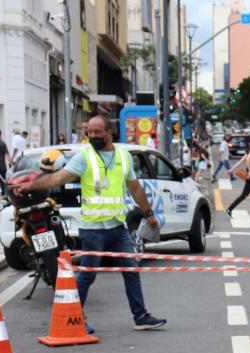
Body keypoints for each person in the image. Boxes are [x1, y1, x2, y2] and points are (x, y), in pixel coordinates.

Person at [11, 115, 167, 333]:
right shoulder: (85, 158)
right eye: (89, 132)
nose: (92, 135)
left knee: (131, 269)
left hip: (118, 227)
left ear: (108, 132)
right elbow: (57, 178)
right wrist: (29, 187)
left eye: (97, 132)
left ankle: (140, 316)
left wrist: (148, 214)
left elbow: (135, 187)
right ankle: (74, 317)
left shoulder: (123, 156)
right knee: (88, 274)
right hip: (93, 229)